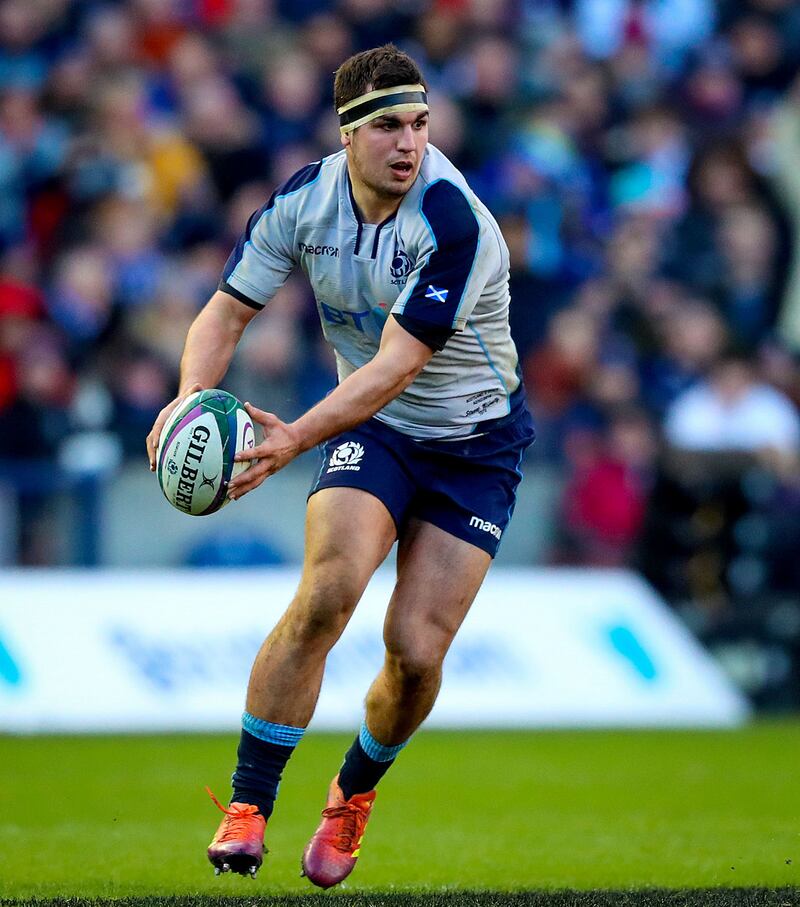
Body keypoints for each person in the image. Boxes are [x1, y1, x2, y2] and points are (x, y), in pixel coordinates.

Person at [146, 44, 534, 889]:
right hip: (383, 431)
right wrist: (187, 398)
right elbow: (224, 312)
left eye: (422, 124)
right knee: (326, 592)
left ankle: (352, 792)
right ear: (348, 134)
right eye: (390, 125)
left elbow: (396, 365)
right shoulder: (301, 201)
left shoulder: (454, 220)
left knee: (414, 653)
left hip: (475, 444)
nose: (411, 143)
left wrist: (292, 439)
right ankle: (248, 808)